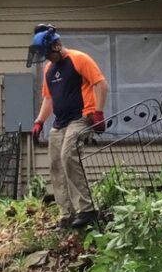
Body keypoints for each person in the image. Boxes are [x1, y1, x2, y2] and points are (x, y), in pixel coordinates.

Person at [26, 24, 107, 229]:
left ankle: (87, 209)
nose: (47, 58)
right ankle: (66, 214)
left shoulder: (79, 58)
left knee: (68, 154)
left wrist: (98, 112)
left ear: (57, 46)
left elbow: (100, 83)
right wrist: (39, 122)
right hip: (60, 121)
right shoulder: (49, 69)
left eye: (48, 54)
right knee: (55, 163)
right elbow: (48, 98)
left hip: (82, 116)